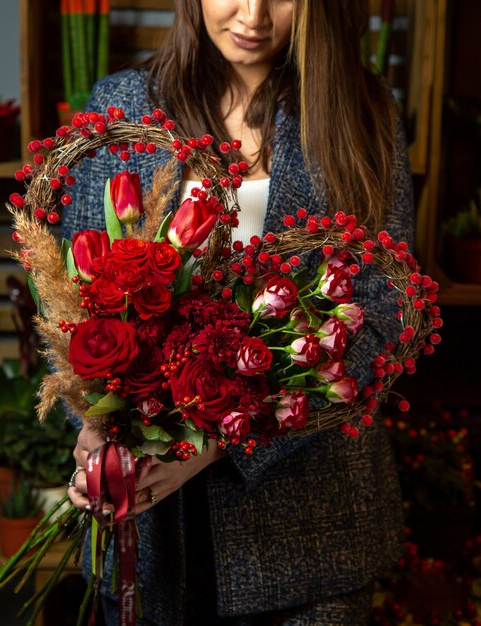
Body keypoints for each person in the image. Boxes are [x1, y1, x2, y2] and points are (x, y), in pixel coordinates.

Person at [65, 1, 414, 624]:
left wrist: (221, 442)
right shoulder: (123, 104)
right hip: (152, 533)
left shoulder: (363, 111)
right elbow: (74, 302)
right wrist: (95, 426)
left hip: (310, 527)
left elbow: (385, 317)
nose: (251, 14)